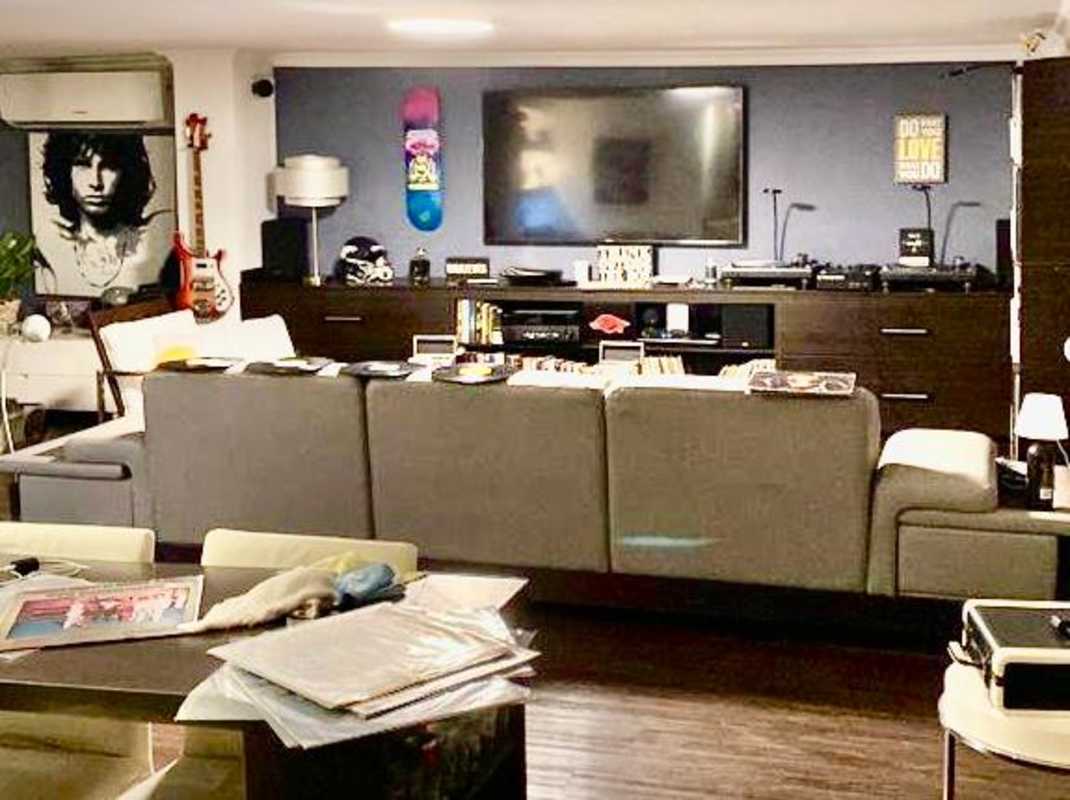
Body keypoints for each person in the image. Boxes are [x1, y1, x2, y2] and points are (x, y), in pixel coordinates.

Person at [41, 132, 160, 289]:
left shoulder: (157, 231)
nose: (96, 182)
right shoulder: (47, 241)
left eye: (109, 166)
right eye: (82, 165)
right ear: (63, 173)